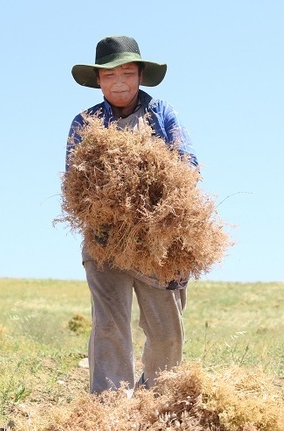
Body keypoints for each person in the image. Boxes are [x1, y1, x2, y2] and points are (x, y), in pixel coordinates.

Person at [66, 36, 197, 394]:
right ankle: (109, 407)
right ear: (98, 81)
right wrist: (103, 217)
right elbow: (74, 181)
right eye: (109, 75)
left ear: (140, 75)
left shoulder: (161, 114)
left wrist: (156, 202)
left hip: (158, 242)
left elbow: (189, 165)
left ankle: (156, 397)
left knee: (166, 333)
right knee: (109, 326)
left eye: (127, 72)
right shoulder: (85, 123)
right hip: (105, 239)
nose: (119, 81)